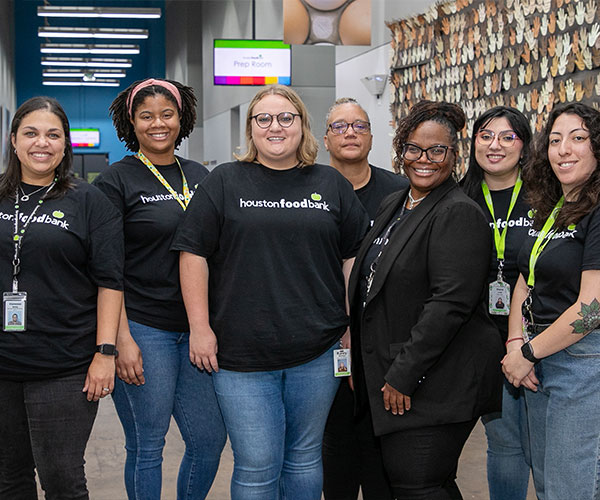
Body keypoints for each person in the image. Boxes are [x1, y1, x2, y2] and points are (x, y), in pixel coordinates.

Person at [172, 84, 369, 500]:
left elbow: (354, 259)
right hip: (241, 355)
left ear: (302, 126)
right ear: (251, 129)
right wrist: (200, 327)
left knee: (303, 457)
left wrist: (353, 326)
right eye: (264, 118)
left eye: (286, 118)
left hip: (317, 351)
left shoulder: (330, 184)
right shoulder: (225, 181)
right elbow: (192, 254)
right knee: (257, 463)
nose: (275, 126)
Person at [348, 100, 503, 500]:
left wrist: (403, 374)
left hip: (432, 381)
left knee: (419, 485)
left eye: (437, 151)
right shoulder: (394, 204)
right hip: (389, 372)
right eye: (414, 149)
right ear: (401, 151)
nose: (424, 159)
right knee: (403, 483)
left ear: (454, 155)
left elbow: (449, 304)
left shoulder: (458, 213)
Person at [93, 78, 225, 500]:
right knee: (148, 444)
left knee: (208, 442)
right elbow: (107, 269)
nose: (158, 124)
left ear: (181, 117)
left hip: (196, 329)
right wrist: (121, 339)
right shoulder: (115, 182)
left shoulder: (202, 175)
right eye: (146, 116)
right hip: (145, 328)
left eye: (167, 114)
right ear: (131, 123)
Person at [0, 96, 123, 499]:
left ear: (66, 144)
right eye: (31, 133)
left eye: (53, 134)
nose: (42, 143)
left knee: (62, 478)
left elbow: (110, 281)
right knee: (8, 477)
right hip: (2, 363)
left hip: (63, 365)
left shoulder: (89, 202)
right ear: (13, 140)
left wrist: (105, 353)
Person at [502, 102, 600, 500]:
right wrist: (514, 343)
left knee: (570, 488)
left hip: (581, 363)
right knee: (546, 483)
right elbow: (525, 279)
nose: (564, 150)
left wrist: (527, 352)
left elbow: (593, 308)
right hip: (539, 357)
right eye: (556, 140)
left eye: (578, 138)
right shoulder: (551, 207)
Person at [322, 97, 408, 500]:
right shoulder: (310, 189)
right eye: (339, 126)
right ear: (324, 139)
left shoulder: (401, 192)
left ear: (373, 136)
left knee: (381, 455)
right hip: (325, 340)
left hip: (385, 340)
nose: (350, 132)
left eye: (359, 125)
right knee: (333, 448)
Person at [462, 106, 533, 500]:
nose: (495, 145)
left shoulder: (547, 195)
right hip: (484, 339)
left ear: (524, 146)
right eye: (486, 135)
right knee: (504, 443)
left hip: (543, 339)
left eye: (508, 137)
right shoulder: (460, 197)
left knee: (547, 446)